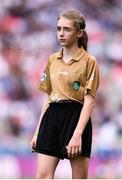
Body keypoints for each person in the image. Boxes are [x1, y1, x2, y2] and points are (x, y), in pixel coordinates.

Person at [30, 10, 100, 179]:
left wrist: (77, 135)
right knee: (42, 176)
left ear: (79, 33)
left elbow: (89, 102)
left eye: (67, 29)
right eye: (58, 28)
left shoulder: (89, 61)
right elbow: (48, 98)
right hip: (51, 117)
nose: (61, 33)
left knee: (79, 178)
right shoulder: (52, 60)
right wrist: (38, 132)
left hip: (76, 118)